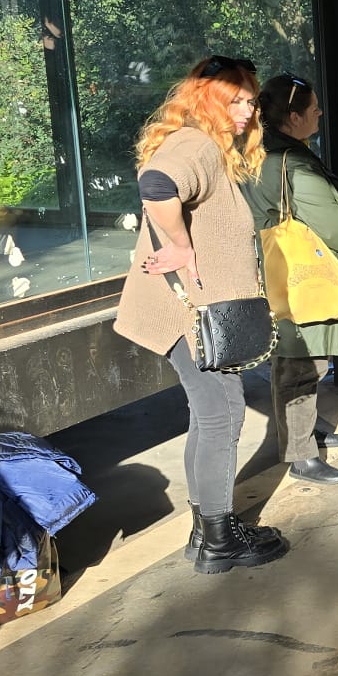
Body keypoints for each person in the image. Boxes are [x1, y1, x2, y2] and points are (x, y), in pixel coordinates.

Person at [114, 55, 289, 574]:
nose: (247, 110)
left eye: (251, 100)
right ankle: (218, 538)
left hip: (192, 312)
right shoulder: (196, 145)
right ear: (205, 100)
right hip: (190, 314)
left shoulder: (203, 144)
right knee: (222, 415)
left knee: (210, 413)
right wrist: (181, 246)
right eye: (234, 100)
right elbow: (157, 183)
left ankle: (205, 530)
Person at [242, 73, 338, 486]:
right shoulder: (291, 161)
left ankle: (305, 431)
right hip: (295, 271)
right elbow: (327, 219)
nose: (320, 113)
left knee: (299, 357)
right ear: (293, 117)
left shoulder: (260, 151)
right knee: (300, 361)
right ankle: (301, 455)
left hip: (277, 265)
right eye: (313, 108)